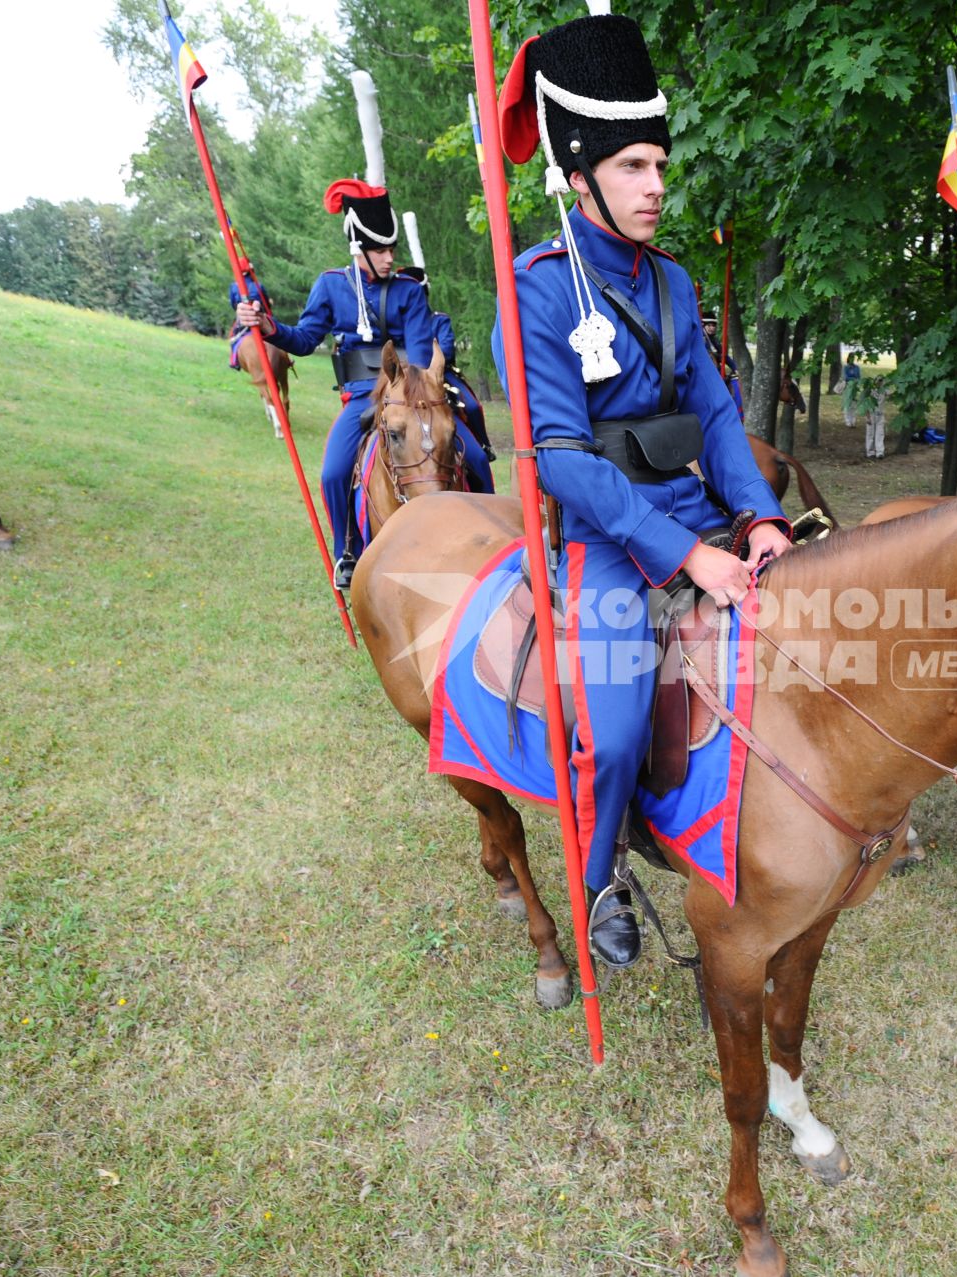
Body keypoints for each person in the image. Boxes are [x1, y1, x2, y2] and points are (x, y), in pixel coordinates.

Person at [492, 10, 791, 967]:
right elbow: (566, 461)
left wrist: (758, 514)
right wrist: (688, 555)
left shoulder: (671, 280)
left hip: (696, 507)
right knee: (616, 728)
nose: (657, 184)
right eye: (633, 167)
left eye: (659, 164)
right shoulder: (536, 286)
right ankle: (598, 878)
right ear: (579, 175)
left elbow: (713, 408)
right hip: (606, 535)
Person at [236, 179, 493, 588]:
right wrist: (268, 327)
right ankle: (348, 554)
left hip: (411, 390)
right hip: (360, 393)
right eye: (379, 250)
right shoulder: (330, 285)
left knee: (475, 459)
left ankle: (489, 540)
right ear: (359, 249)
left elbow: (422, 354)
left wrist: (416, 386)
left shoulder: (409, 290)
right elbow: (304, 340)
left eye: (391, 249)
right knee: (333, 473)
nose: (389, 258)